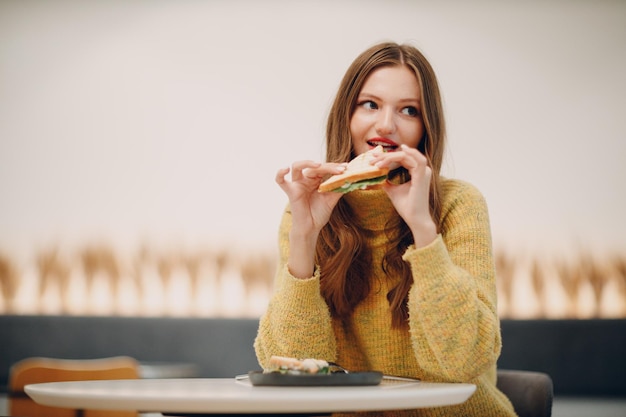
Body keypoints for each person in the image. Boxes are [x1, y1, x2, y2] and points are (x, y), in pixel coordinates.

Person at [254, 41, 517, 417]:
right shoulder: (307, 208)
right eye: (370, 105)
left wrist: (422, 228)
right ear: (346, 114)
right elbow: (293, 368)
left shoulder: (459, 203)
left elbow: (463, 361)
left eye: (408, 110)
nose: (386, 125)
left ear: (426, 129)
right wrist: (305, 236)